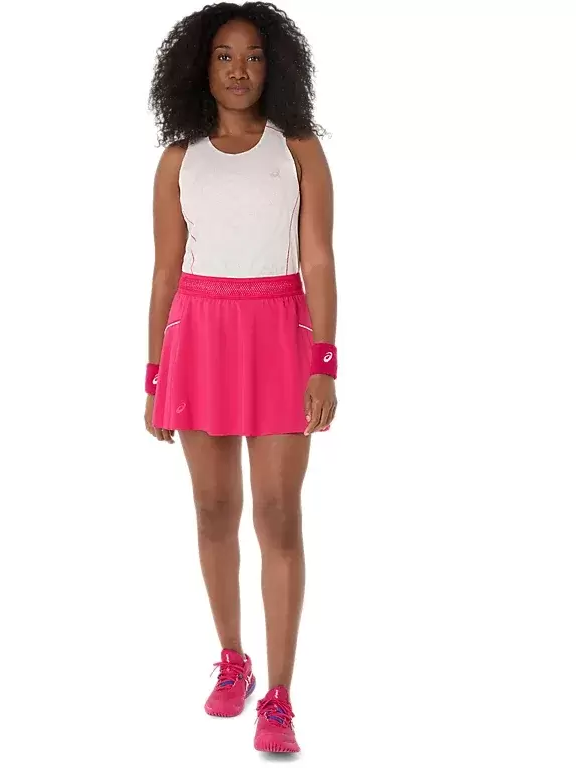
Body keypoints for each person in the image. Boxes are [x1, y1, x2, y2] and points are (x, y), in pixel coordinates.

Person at [144, 2, 337, 754]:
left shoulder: (299, 149)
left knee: (279, 515)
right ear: (200, 66)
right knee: (213, 508)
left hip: (279, 333)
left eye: (253, 56)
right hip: (201, 335)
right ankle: (233, 659)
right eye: (224, 56)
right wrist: (153, 372)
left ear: (274, 64)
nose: (239, 70)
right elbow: (165, 270)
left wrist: (324, 361)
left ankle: (280, 698)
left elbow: (317, 258)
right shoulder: (178, 158)